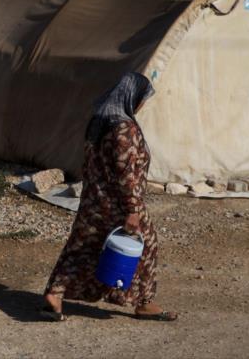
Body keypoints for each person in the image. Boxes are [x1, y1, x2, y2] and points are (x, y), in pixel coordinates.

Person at [42, 72, 177, 322]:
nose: (142, 104)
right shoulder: (124, 129)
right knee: (145, 246)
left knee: (82, 247)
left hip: (93, 201)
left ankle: (54, 294)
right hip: (118, 203)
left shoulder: (99, 121)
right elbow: (126, 175)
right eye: (142, 98)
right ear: (131, 97)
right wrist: (132, 210)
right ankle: (143, 302)